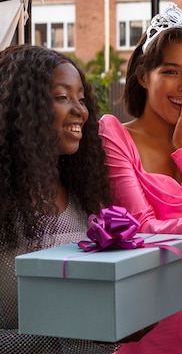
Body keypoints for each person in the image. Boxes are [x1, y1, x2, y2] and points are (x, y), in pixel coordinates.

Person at [98, 3, 182, 353]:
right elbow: (140, 229)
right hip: (144, 321)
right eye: (172, 72)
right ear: (144, 76)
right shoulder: (114, 135)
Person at [0, 45, 116, 353]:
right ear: (21, 109)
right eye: (62, 97)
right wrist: (70, 332)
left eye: (81, 97)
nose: (81, 110)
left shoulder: (85, 199)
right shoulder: (5, 213)